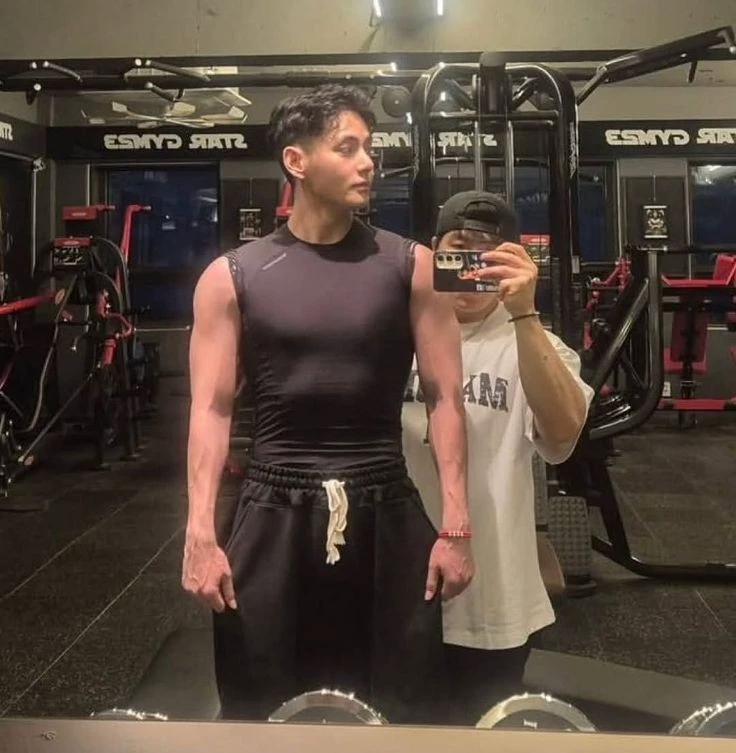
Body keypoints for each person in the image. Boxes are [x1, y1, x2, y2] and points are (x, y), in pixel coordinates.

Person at [182, 84, 474, 724]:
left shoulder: (414, 267)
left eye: (370, 148)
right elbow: (210, 410)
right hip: (271, 511)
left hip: (385, 507)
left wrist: (456, 526)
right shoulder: (230, 277)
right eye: (348, 147)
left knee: (403, 707)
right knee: (259, 706)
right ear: (297, 161)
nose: (368, 162)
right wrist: (200, 532)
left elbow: (446, 399)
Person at [401, 191, 594, 726]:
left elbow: (563, 435)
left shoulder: (532, 344)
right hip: (396, 588)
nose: (471, 265)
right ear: (434, 251)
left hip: (492, 599)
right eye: (458, 248)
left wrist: (524, 311)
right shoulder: (396, 338)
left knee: (483, 731)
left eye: (486, 253)